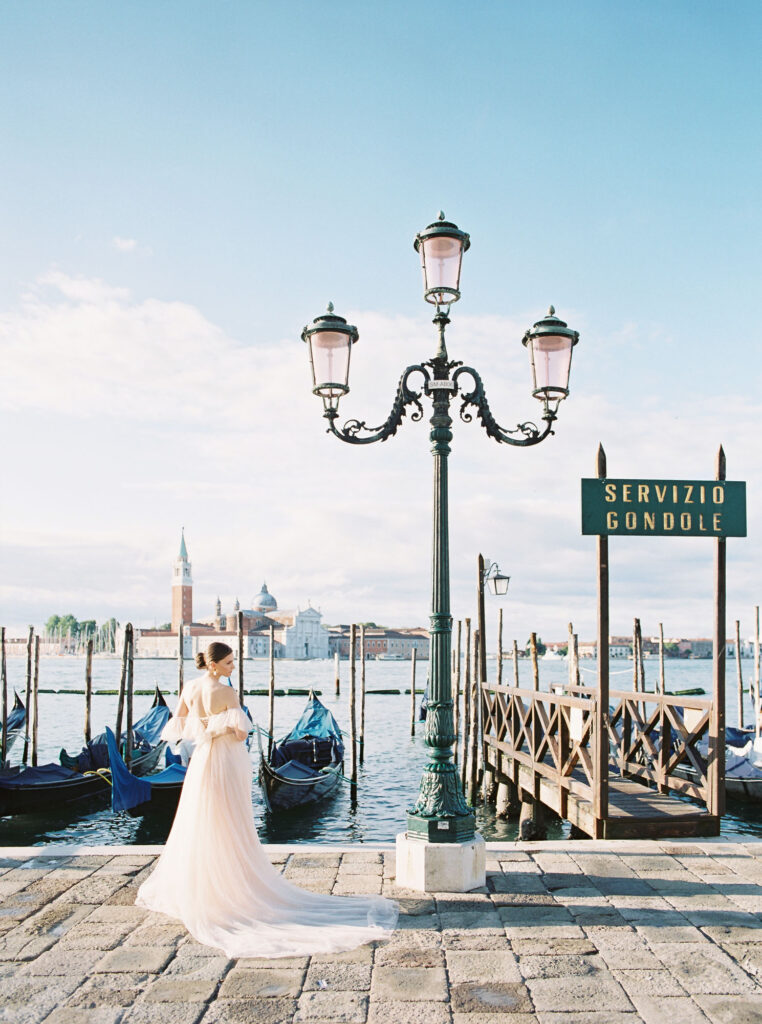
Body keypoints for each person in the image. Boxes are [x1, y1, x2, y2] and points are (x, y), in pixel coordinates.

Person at [136, 641, 398, 957]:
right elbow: (241, 734)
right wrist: (220, 727)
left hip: (201, 763)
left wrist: (205, 728)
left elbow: (176, 729)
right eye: (230, 663)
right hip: (227, 761)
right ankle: (233, 887)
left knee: (200, 821)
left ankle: (204, 889)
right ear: (216, 664)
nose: (233, 667)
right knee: (231, 822)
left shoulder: (189, 688)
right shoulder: (227, 693)